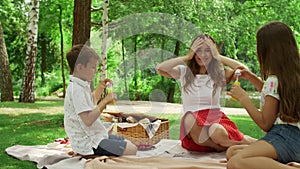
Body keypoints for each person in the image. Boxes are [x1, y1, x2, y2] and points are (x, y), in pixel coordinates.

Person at [156, 34, 256, 152]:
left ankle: (240, 145)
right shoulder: (184, 72)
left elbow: (245, 71)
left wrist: (218, 56)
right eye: (198, 50)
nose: (202, 55)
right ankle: (219, 147)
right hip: (195, 132)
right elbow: (161, 68)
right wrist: (187, 56)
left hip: (216, 120)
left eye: (207, 50)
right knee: (189, 118)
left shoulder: (220, 73)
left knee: (216, 131)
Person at [226, 21, 300, 168]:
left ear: (268, 51)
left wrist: (244, 99)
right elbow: (275, 97)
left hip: (284, 136)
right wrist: (252, 78)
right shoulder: (290, 76)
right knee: (232, 152)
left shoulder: (274, 80)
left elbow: (265, 123)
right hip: (294, 137)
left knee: (235, 162)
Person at [64, 44, 137, 156]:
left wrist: (100, 87)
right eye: (93, 67)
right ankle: (89, 154)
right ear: (80, 67)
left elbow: (91, 101)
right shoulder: (76, 90)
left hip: (95, 136)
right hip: (89, 143)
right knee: (132, 149)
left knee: (126, 141)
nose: (96, 71)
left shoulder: (81, 85)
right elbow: (88, 120)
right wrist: (105, 101)